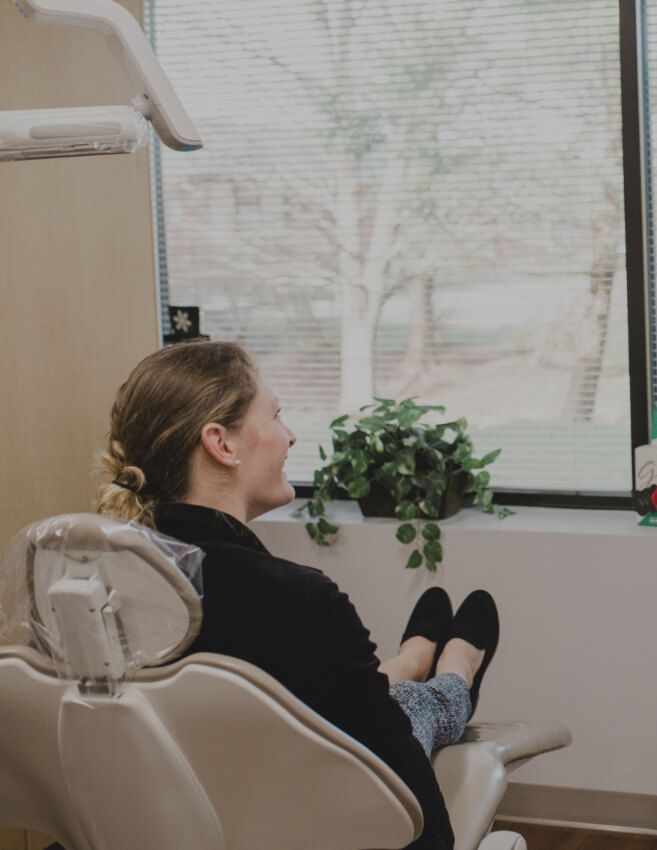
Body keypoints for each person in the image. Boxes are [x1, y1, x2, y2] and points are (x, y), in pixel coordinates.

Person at [95, 339, 497, 850]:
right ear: (222, 444)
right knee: (409, 708)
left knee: (366, 692)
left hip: (171, 825)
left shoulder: (92, 588)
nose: (290, 437)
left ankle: (410, 659)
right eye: (278, 416)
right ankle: (452, 677)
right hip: (306, 820)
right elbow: (416, 814)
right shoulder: (299, 601)